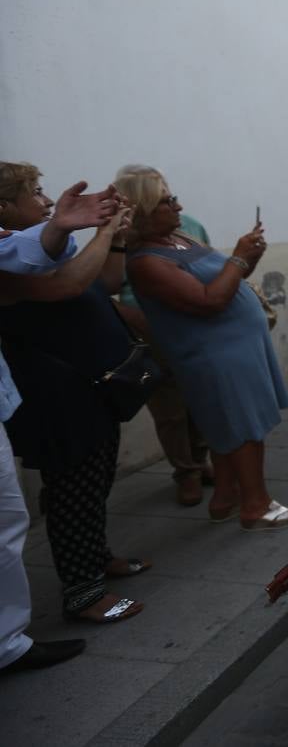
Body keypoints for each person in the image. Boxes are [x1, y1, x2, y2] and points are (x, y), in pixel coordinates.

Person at [0, 164, 149, 624]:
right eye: (35, 193)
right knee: (73, 489)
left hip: (86, 389)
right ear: (4, 207)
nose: (45, 203)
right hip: (54, 396)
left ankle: (96, 556)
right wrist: (102, 230)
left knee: (95, 479)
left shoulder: (40, 251)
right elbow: (68, 286)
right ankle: (83, 592)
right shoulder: (10, 263)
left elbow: (102, 284)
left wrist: (115, 236)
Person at [120, 169, 288, 529]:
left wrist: (249, 257)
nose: (178, 205)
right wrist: (239, 257)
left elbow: (227, 280)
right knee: (243, 427)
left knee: (228, 426)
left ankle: (226, 497)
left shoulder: (178, 237)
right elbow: (208, 299)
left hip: (236, 346)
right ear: (143, 210)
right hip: (213, 353)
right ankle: (256, 506)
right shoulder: (146, 261)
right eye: (167, 201)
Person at [109, 165, 214, 506]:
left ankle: (200, 461)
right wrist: (140, 320)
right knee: (169, 409)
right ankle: (185, 472)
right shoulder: (118, 238)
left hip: (191, 327)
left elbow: (209, 267)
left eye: (168, 192)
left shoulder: (190, 227)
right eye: (161, 194)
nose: (173, 202)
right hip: (148, 334)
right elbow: (107, 290)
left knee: (200, 399)